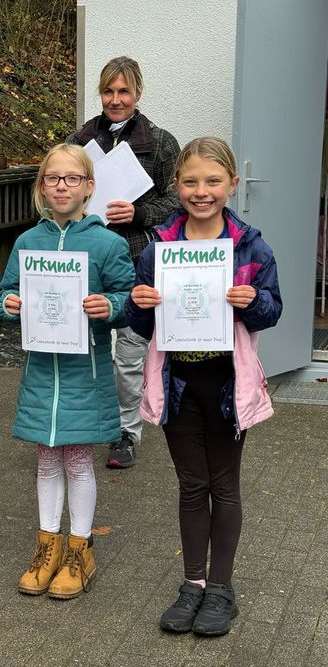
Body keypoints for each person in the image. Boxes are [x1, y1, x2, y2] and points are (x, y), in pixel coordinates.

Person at [126, 137, 282, 635]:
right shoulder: (159, 248)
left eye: (213, 181)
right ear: (176, 185)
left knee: (224, 485)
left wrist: (253, 300)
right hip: (177, 384)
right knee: (192, 485)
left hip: (227, 385)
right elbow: (141, 323)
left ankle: (220, 589)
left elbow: (272, 311)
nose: (201, 191)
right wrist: (138, 304)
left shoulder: (251, 246)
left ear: (232, 184)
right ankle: (192, 583)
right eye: (191, 181)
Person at [0, 143, 134, 599]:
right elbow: (5, 293)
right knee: (46, 458)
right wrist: (9, 304)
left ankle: (80, 550)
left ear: (88, 187)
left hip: (84, 371)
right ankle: (47, 547)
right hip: (40, 370)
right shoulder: (27, 242)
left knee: (77, 459)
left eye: (72, 178)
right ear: (41, 186)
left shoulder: (108, 243)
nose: (61, 186)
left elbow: (129, 298)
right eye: (52, 178)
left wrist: (109, 305)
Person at [68, 56, 180, 469]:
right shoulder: (79, 140)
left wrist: (139, 213)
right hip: (88, 259)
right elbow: (57, 188)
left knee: (130, 355)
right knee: (84, 350)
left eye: (124, 92)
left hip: (135, 260)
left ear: (138, 93)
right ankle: (86, 423)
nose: (115, 100)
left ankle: (126, 433)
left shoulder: (162, 142)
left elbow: (177, 202)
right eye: (108, 91)